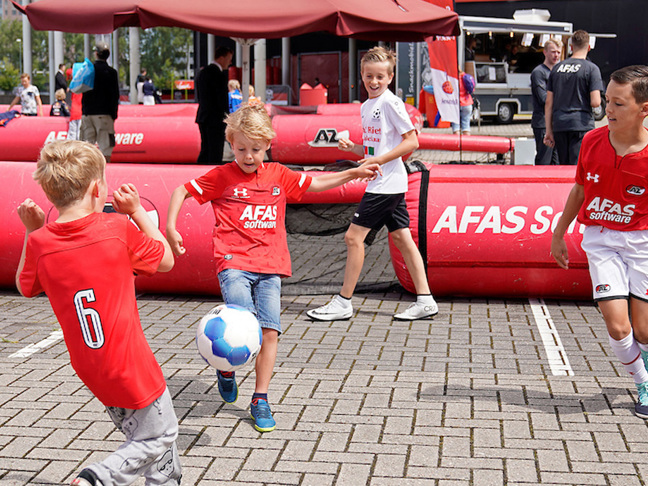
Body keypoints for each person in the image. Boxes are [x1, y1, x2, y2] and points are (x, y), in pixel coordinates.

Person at [166, 103, 381, 433]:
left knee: (269, 332)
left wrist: (353, 173)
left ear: (268, 144)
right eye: (241, 149)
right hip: (234, 263)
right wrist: (171, 228)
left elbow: (315, 184)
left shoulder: (279, 174)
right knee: (243, 325)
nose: (248, 156)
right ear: (230, 143)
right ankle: (226, 367)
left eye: (255, 149)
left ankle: (260, 399)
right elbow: (181, 190)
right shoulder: (222, 177)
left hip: (270, 265)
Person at [15, 140, 182, 485]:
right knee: (159, 436)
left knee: (152, 445)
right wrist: (137, 211)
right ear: (96, 189)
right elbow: (166, 260)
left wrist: (32, 231)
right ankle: (98, 478)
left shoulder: (42, 242)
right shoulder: (116, 229)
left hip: (91, 367)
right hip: (130, 363)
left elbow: (25, 286)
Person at [306, 46, 439, 322]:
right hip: (386, 183)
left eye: (380, 76)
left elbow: (412, 141)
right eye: (369, 76)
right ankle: (426, 300)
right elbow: (374, 149)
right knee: (403, 239)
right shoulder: (367, 106)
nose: (374, 81)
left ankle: (343, 302)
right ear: (362, 75)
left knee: (353, 238)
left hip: (385, 185)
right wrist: (354, 148)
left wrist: (378, 160)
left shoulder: (391, 103)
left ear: (390, 77)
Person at [551, 65, 648, 418]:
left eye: (619, 103)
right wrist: (559, 233)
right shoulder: (591, 141)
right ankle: (643, 383)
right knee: (618, 326)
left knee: (644, 330)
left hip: (642, 243)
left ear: (644, 109)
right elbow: (579, 190)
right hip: (601, 240)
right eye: (607, 100)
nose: (608, 109)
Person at [544, 30, 604, 165]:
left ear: (571, 47)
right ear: (589, 47)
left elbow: (548, 102)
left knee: (563, 165)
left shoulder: (557, 68)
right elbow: (595, 102)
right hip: (581, 124)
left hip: (560, 124)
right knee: (578, 166)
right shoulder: (591, 69)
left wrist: (548, 131)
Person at [81, 41, 120, 163]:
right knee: (105, 148)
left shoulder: (88, 71)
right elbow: (115, 95)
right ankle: (104, 171)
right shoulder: (111, 73)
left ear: (96, 54)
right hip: (104, 114)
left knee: (85, 149)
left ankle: (85, 172)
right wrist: (113, 114)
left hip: (88, 113)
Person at [195, 46, 233, 165]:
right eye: (229, 59)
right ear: (221, 58)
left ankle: (200, 172)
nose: (230, 62)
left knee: (206, 149)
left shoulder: (202, 73)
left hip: (203, 117)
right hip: (216, 119)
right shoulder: (219, 75)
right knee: (215, 151)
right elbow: (221, 100)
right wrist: (227, 117)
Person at [530, 39, 562, 165]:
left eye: (558, 52)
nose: (556, 55)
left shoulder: (558, 72)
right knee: (544, 159)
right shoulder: (539, 72)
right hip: (542, 122)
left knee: (557, 161)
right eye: (553, 52)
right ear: (545, 52)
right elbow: (543, 98)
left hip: (556, 122)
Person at [451, 70, 473, 136]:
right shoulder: (465, 77)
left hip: (455, 104)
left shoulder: (452, 79)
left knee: (456, 127)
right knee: (466, 126)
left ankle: (456, 142)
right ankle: (467, 142)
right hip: (467, 103)